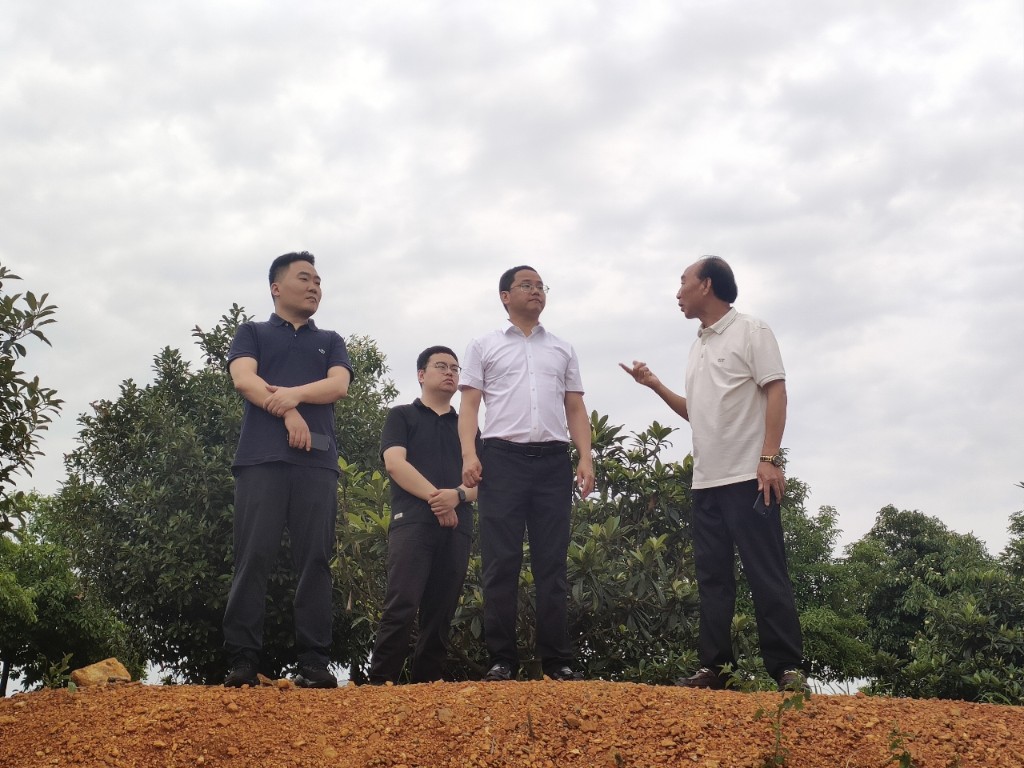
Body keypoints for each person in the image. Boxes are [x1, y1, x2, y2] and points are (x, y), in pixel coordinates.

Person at [620, 255, 807, 692]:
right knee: (712, 579)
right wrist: (655, 386)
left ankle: (787, 668)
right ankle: (715, 668)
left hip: (749, 477)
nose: (678, 292)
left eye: (683, 281)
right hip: (705, 481)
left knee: (766, 573)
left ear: (706, 285)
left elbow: (776, 391)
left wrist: (770, 458)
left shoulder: (752, 330)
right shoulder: (698, 345)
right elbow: (697, 413)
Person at [222, 251, 353, 689]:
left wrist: (292, 396)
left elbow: (338, 385)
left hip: (318, 464)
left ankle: (314, 662)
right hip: (260, 460)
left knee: (315, 561)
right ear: (276, 288)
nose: (315, 286)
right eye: (305, 278)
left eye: (318, 280)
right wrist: (290, 412)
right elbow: (244, 379)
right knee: (252, 558)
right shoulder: (252, 332)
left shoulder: (330, 339)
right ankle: (242, 660)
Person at [459, 265, 595, 683]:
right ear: (505, 296)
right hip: (502, 459)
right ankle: (501, 660)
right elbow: (469, 406)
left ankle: (558, 661)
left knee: (552, 563)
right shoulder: (483, 345)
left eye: (540, 286)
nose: (536, 291)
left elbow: (575, 407)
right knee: (501, 562)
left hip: (553, 460)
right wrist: (469, 454)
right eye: (526, 285)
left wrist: (585, 457)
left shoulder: (562, 348)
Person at [368, 346, 478, 684]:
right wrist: (439, 500)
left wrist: (456, 496)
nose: (450, 373)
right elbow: (394, 464)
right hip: (412, 522)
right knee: (401, 604)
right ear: (421, 374)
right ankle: (379, 685)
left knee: (442, 611)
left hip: (458, 526)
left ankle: (427, 687)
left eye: (455, 368)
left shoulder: (468, 428)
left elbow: (483, 481)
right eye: (441, 366)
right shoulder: (401, 416)